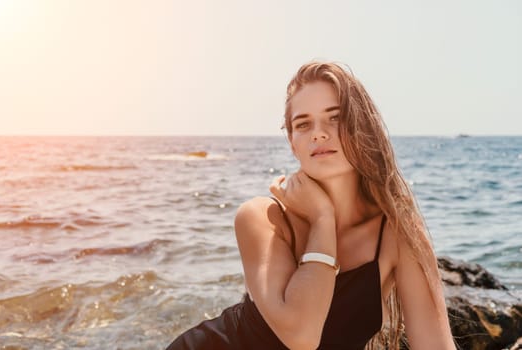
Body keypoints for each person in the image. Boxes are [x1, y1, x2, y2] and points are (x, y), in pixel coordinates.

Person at [166, 61, 456, 349]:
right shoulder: (262, 218)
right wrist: (322, 219)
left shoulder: (396, 233)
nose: (318, 133)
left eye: (335, 118)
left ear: (362, 127)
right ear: (293, 142)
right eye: (303, 124)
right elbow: (301, 337)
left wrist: (322, 217)